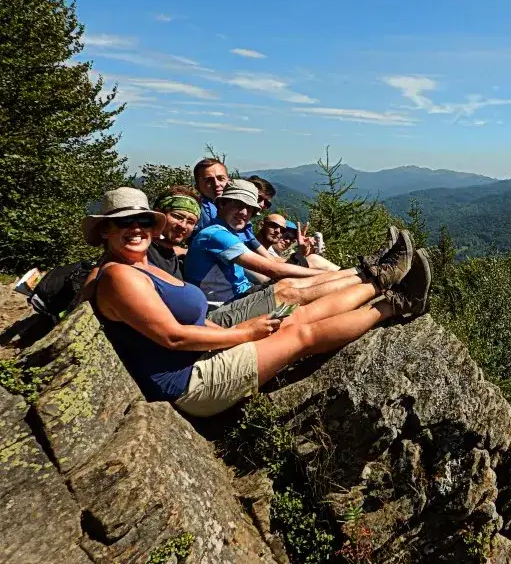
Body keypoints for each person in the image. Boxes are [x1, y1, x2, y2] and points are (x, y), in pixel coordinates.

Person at [81, 187, 432, 417]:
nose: (137, 228)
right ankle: (396, 303)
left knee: (297, 315)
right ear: (105, 232)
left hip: (202, 349)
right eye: (123, 223)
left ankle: (379, 285)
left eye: (142, 220)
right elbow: (173, 337)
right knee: (299, 336)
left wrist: (240, 331)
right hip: (191, 382)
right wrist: (245, 333)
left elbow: (189, 322)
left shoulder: (143, 265)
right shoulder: (118, 275)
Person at [185, 179, 414, 326]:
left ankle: (374, 273)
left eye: (250, 209)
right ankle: (372, 275)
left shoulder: (228, 232)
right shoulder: (215, 234)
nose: (244, 213)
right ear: (222, 204)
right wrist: (322, 277)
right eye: (237, 205)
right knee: (291, 291)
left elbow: (272, 267)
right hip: (222, 311)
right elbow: (271, 268)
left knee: (290, 285)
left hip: (239, 298)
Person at [256, 213, 340, 272]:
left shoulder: (279, 254)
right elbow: (279, 265)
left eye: (292, 239)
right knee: (315, 260)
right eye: (286, 235)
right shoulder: (263, 249)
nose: (288, 241)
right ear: (262, 225)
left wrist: (305, 253)